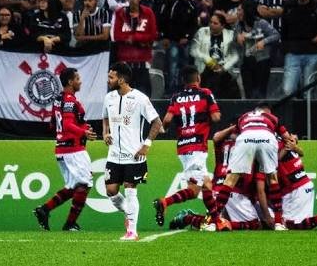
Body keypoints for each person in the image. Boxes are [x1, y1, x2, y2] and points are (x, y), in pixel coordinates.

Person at [153, 65, 221, 227]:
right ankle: (216, 221)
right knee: (206, 184)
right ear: (198, 79)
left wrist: (173, 128)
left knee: (196, 189)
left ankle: (166, 202)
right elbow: (216, 117)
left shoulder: (176, 97)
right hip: (197, 145)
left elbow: (167, 121)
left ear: (183, 82)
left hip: (183, 147)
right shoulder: (205, 93)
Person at [102, 62, 163, 241]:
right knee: (111, 191)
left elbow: (157, 122)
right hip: (114, 154)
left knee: (130, 191)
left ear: (121, 79)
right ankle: (129, 214)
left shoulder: (140, 98)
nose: (108, 80)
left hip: (134, 154)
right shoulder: (109, 98)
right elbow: (105, 118)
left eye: (111, 77)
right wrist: (105, 133)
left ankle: (132, 231)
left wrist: (146, 145)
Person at [207, 103, 290, 231]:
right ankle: (279, 223)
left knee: (230, 179)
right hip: (267, 138)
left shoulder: (244, 117)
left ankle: (214, 222)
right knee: (272, 179)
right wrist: (290, 142)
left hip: (246, 138)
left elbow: (235, 136)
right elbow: (286, 138)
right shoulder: (273, 118)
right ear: (266, 112)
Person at [34, 68, 97, 231]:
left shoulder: (57, 100)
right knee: (84, 184)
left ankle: (44, 209)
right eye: (77, 78)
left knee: (74, 187)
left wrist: (82, 126)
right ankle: (69, 224)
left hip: (61, 150)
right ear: (70, 81)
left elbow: (53, 124)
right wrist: (83, 132)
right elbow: (68, 125)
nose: (80, 81)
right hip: (73, 150)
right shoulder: (70, 101)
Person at [272, 134, 317, 230]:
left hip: (295, 188)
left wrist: (293, 147)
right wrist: (294, 146)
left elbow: (273, 163)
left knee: (288, 225)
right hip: (304, 184)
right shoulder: (284, 140)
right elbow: (299, 148)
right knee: (302, 223)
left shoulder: (274, 145)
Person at [110, 0, 157, 97]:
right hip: (125, 61)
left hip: (143, 61)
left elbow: (153, 34)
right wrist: (140, 39)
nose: (132, 0)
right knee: (124, 96)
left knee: (144, 95)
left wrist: (133, 38)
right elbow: (117, 35)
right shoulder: (120, 13)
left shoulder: (148, 12)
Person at [159, 0, 200, 94]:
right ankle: (171, 91)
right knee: (172, 66)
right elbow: (164, 21)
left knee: (186, 65)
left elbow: (194, 25)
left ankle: (187, 89)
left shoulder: (192, 5)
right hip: (172, 41)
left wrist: (187, 37)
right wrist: (165, 37)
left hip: (186, 41)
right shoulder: (170, 3)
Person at [236, 0, 280, 99]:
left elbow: (276, 35)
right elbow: (235, 41)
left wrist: (263, 41)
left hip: (261, 60)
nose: (237, 13)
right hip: (246, 61)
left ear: (246, 11)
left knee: (259, 92)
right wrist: (237, 36)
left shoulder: (261, 23)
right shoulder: (239, 25)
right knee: (248, 91)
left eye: (239, 10)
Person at [190, 13, 240, 99]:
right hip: (205, 68)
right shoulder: (202, 31)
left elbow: (235, 55)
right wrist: (209, 61)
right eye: (211, 22)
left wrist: (224, 67)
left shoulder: (230, 35)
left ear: (222, 25)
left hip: (224, 69)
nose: (212, 25)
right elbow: (193, 50)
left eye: (215, 23)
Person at [257, 0, 295, 67]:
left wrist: (270, 10)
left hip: (286, 38)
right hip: (268, 38)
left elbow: (291, 13)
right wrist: (281, 10)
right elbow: (262, 12)